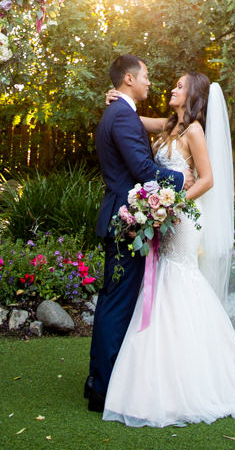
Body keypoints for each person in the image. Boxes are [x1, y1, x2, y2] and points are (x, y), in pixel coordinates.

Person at [101, 70, 235, 427]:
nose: (172, 88)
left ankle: (197, 368)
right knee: (164, 276)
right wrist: (115, 98)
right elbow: (131, 118)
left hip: (182, 216)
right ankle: (166, 366)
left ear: (193, 95)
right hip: (165, 213)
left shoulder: (195, 131)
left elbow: (208, 179)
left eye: (180, 86)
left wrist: (174, 203)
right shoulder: (169, 126)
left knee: (178, 275)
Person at [86, 54, 187, 413]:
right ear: (129, 79)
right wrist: (182, 179)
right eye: (145, 76)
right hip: (124, 221)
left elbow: (159, 130)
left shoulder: (121, 113)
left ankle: (99, 378)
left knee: (116, 298)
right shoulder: (123, 117)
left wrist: (185, 116)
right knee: (118, 301)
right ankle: (103, 387)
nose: (150, 82)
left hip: (122, 217)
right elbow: (143, 169)